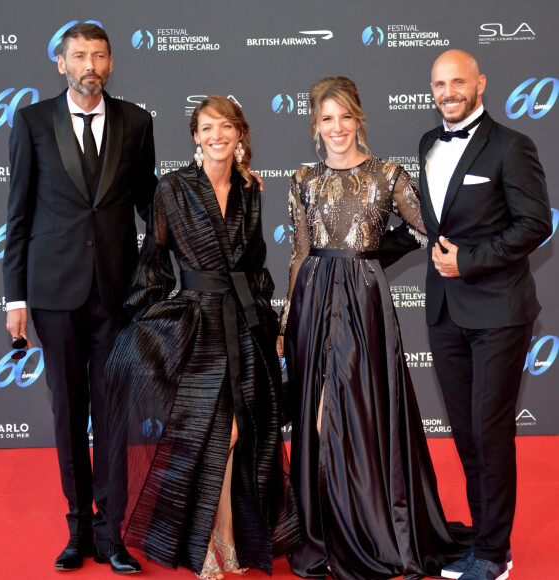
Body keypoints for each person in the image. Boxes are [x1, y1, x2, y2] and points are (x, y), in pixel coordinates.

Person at [277, 76, 470, 580]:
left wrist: (373, 256)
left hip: (362, 301)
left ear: (359, 119)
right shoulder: (302, 179)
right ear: (314, 127)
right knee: (317, 417)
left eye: (345, 116)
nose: (337, 127)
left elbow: (426, 226)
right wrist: (287, 320)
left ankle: (367, 529)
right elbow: (298, 254)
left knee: (356, 414)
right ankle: (324, 531)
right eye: (326, 119)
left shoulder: (386, 174)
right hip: (313, 300)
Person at [104, 95, 303, 580]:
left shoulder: (251, 189)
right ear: (195, 136)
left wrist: (272, 323)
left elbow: (255, 265)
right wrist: (145, 316)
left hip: (244, 322)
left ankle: (225, 539)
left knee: (242, 435)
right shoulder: (173, 188)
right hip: (199, 325)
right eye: (207, 128)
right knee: (214, 435)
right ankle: (210, 543)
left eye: (227, 127)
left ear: (241, 136)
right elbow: (154, 257)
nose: (218, 136)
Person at [2, 23, 157, 573]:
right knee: (67, 411)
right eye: (79, 56)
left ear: (111, 63)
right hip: (52, 292)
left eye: (99, 55)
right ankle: (77, 530)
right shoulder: (32, 121)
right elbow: (16, 217)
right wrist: (13, 299)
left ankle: (111, 532)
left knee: (113, 412)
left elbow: (150, 210)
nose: (90, 64)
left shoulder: (137, 122)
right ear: (60, 64)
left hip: (116, 294)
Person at [418, 50, 552, 580]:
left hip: (498, 311)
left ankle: (495, 556)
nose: (447, 92)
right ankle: (483, 536)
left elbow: (535, 223)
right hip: (445, 312)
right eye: (438, 84)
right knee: (466, 433)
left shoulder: (513, 145)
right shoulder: (428, 144)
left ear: (480, 84)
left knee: (490, 432)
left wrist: (467, 261)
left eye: (457, 82)